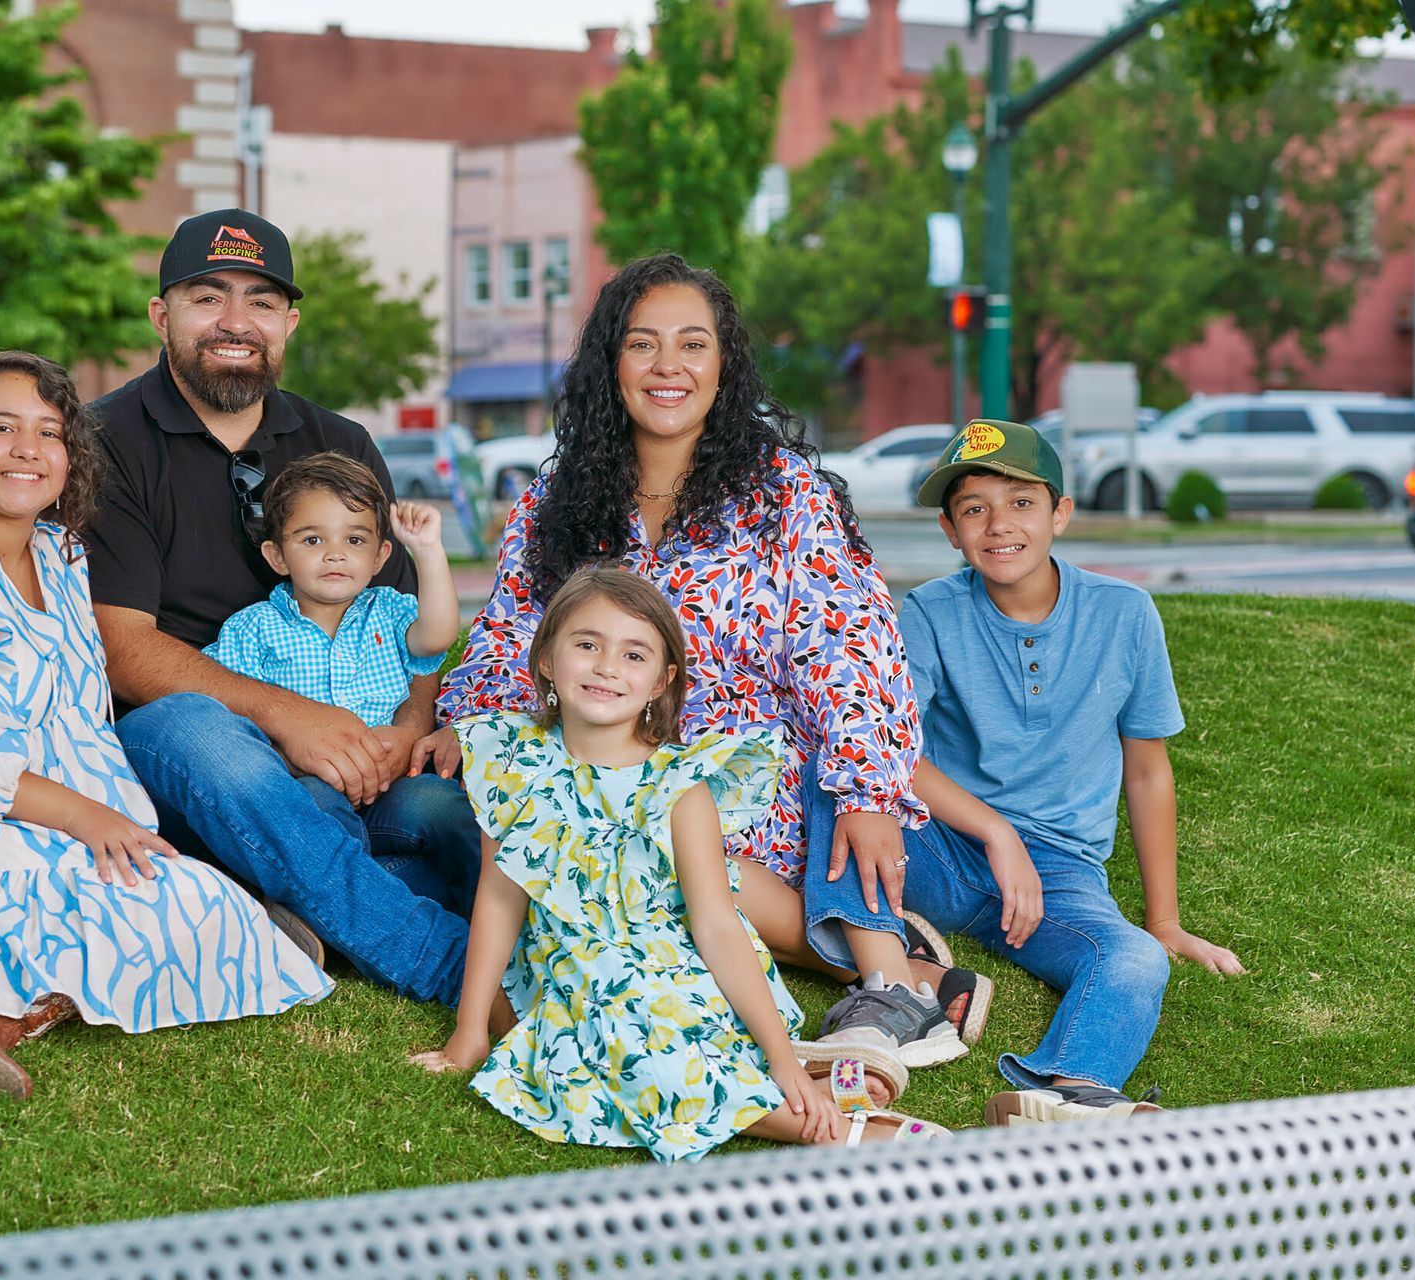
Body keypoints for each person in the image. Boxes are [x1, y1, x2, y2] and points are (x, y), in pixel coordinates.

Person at [432, 253, 987, 1069]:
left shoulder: (783, 496)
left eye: (693, 345)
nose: (667, 367)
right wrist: (471, 720)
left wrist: (868, 792)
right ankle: (902, 965)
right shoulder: (556, 501)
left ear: (724, 366)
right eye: (642, 344)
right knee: (458, 819)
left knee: (651, 848)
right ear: (608, 363)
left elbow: (851, 644)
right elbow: (514, 628)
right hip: (601, 756)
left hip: (746, 775)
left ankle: (882, 965)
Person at [0, 351, 331, 1100]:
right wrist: (87, 818)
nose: (28, 449)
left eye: (50, 433)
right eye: (1, 428)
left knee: (178, 895)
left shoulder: (60, 556)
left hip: (45, 804)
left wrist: (108, 818)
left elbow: (79, 720)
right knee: (141, 905)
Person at [84, 209, 478, 1004]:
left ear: (288, 323)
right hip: (195, 746)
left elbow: (407, 632)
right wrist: (289, 719)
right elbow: (121, 646)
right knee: (198, 735)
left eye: (261, 302)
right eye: (207, 297)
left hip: (356, 756)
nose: (236, 322)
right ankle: (450, 963)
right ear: (162, 316)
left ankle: (283, 902)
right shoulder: (106, 442)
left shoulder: (340, 442)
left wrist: (405, 728)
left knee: (443, 801)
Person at [802, 420, 1245, 1126]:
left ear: (1060, 513)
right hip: (939, 846)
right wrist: (996, 831)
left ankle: (1073, 1091)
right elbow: (882, 747)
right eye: (974, 508)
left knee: (1133, 960)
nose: (998, 525)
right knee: (837, 774)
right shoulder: (929, 612)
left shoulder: (1126, 613)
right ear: (951, 531)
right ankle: (889, 990)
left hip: (1058, 876)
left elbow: (1148, 772)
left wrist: (1164, 923)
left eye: (1021, 503)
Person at [415, 568, 943, 1159]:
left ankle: (811, 1102)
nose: (607, 667)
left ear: (662, 682)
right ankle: (823, 1105)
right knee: (592, 1035)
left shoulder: (681, 785)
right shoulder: (510, 757)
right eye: (586, 644)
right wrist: (469, 1034)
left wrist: (773, 1048)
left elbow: (717, 924)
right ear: (546, 658)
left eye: (633, 654)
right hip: (559, 965)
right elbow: (498, 896)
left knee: (646, 1039)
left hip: (671, 963)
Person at [204, 452, 458, 728]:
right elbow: (222, 706)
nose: (335, 554)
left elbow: (437, 637)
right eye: (312, 540)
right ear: (277, 556)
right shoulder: (252, 628)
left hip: (391, 766)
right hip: (293, 768)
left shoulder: (389, 611)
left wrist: (427, 550)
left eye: (354, 539)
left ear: (379, 557)